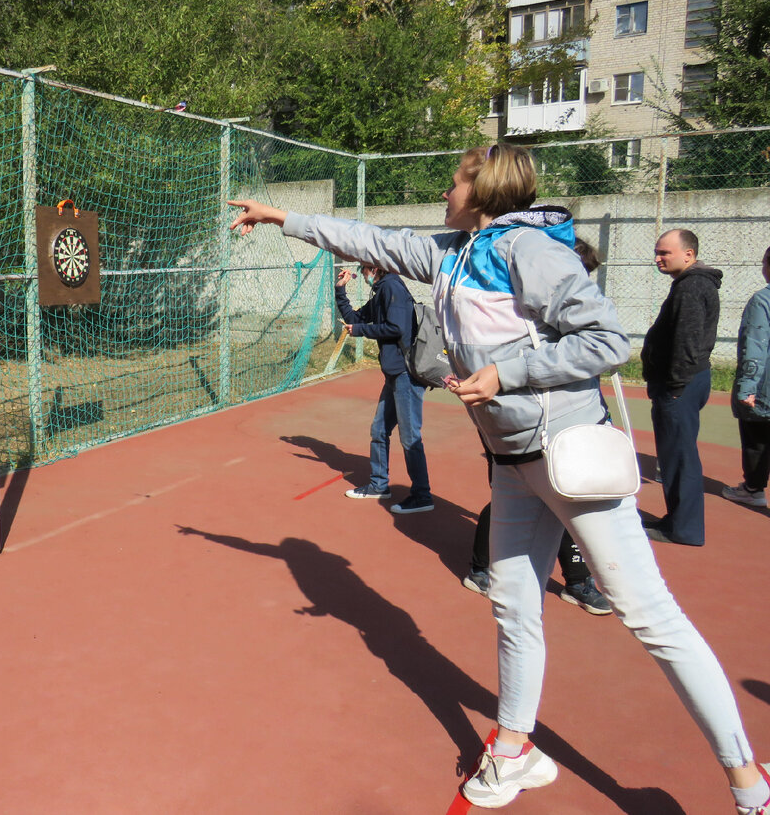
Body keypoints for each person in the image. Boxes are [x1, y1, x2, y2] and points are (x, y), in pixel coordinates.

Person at [228, 142, 769, 812]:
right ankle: (515, 751)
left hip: (568, 454)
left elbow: (605, 341)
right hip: (514, 464)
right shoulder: (451, 253)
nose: (446, 191)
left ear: (482, 190)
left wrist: (507, 373)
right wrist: (283, 217)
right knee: (514, 607)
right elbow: (371, 237)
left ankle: (748, 782)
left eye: (454, 180)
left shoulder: (529, 252)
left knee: (650, 615)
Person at [464, 236, 612, 616]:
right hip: (516, 423)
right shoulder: (521, 305)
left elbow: (599, 348)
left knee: (571, 494)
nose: (579, 283)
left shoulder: (576, 308)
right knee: (511, 495)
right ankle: (482, 568)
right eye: (575, 274)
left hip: (566, 420)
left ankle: (578, 580)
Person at [641, 228, 722, 546]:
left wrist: (674, 385)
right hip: (687, 382)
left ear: (688, 254)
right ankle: (677, 519)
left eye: (665, 253)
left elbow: (687, 342)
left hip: (681, 385)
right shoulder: (691, 284)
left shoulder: (691, 287)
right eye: (657, 252)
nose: (658, 258)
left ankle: (684, 529)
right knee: (675, 454)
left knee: (679, 456)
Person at [335, 263, 433, 513]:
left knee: (410, 436)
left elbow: (396, 327)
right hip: (393, 372)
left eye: (363, 268)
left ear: (375, 268)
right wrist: (340, 292)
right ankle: (379, 485)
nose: (362, 273)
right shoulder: (380, 290)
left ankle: (422, 495)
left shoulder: (392, 287)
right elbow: (355, 318)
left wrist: (360, 331)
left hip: (405, 373)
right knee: (379, 429)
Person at [724, 246, 770, 507]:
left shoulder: (762, 300)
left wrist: (747, 387)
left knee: (756, 436)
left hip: (764, 386)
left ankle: (753, 488)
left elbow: (755, 345)